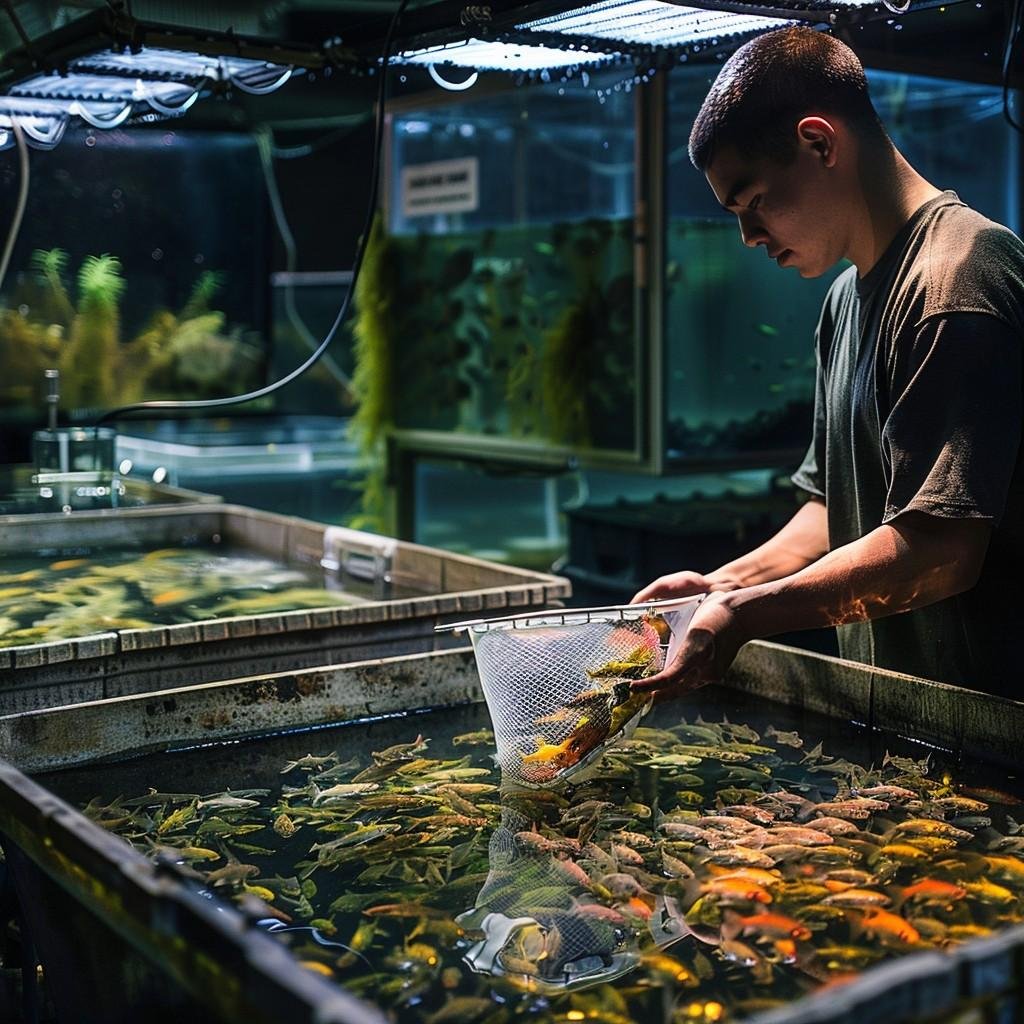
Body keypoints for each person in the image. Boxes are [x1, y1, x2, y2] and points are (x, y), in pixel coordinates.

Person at [631, 26, 1024, 699]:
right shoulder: (845, 299)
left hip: (992, 734)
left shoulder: (959, 281)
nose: (749, 237)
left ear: (819, 142)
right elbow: (833, 509)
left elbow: (942, 550)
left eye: (752, 202)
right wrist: (727, 584)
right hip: (901, 721)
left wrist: (745, 617)